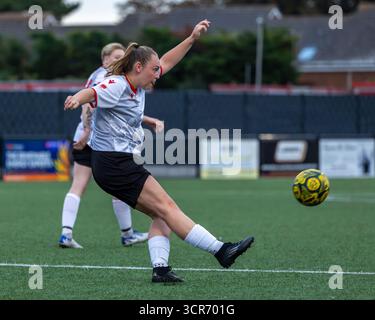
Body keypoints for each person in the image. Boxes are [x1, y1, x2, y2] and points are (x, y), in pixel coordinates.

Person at [64, 20, 254, 282]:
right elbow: (92, 92)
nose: (158, 74)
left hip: (115, 164)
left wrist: (191, 38)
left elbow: (167, 61)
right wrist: (77, 98)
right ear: (138, 67)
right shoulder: (118, 85)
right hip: (114, 164)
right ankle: (222, 251)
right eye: (154, 70)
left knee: (161, 214)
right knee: (168, 207)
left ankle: (161, 270)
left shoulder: (137, 84)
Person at [59, 42, 164, 249]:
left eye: (122, 55)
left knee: (89, 186)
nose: (120, 59)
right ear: (105, 59)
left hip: (92, 138)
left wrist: (147, 119)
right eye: (116, 56)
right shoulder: (106, 77)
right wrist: (87, 133)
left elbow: (118, 110)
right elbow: (89, 102)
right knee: (84, 184)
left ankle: (67, 233)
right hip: (96, 141)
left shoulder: (109, 76)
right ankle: (125, 234)